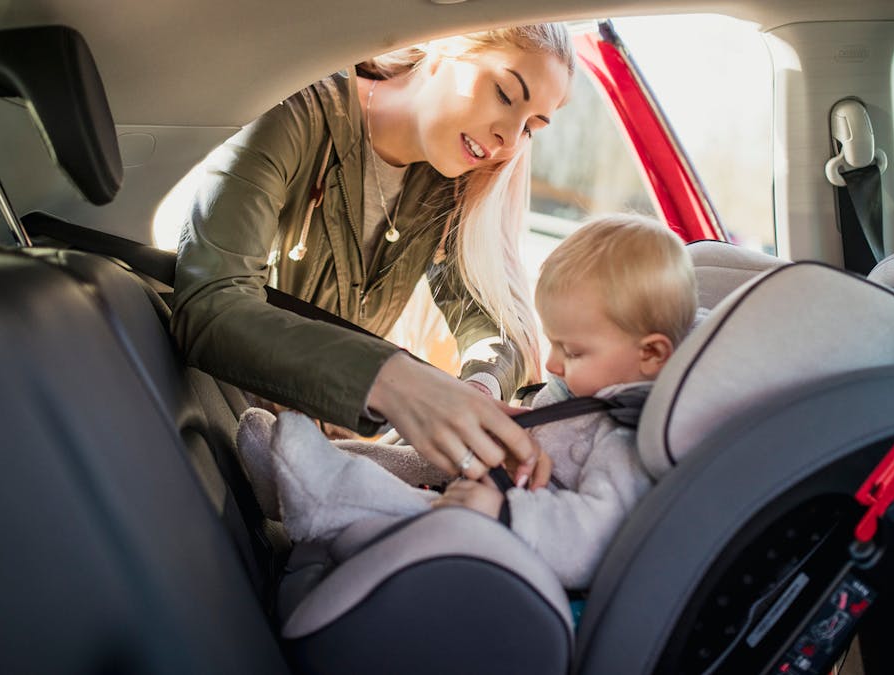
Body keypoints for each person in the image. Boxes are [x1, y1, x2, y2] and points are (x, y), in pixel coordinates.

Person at [172, 25, 575, 487]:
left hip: (318, 458)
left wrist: (477, 390)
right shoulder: (296, 114)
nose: (509, 137)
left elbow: (489, 324)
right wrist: (392, 380)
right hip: (223, 432)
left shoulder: (451, 181)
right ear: (445, 46)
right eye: (504, 94)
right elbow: (209, 305)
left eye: (531, 127)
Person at [238, 215, 699, 588]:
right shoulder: (594, 391)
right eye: (553, 344)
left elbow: (592, 541)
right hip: (495, 481)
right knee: (418, 458)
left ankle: (317, 490)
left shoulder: (628, 439)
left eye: (573, 351)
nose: (553, 364)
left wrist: (502, 512)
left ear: (651, 354)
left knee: (413, 504)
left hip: (498, 541)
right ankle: (295, 468)